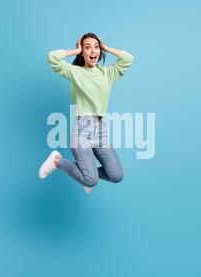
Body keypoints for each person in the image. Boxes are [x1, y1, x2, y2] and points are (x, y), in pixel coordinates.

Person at [38, 33, 133, 193]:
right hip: (82, 130)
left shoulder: (107, 74)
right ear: (83, 52)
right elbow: (52, 57)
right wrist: (74, 51)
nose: (93, 51)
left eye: (96, 47)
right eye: (87, 47)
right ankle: (57, 161)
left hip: (101, 131)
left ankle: (86, 173)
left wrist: (106, 47)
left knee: (116, 175)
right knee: (91, 180)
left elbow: (128, 59)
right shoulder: (75, 72)